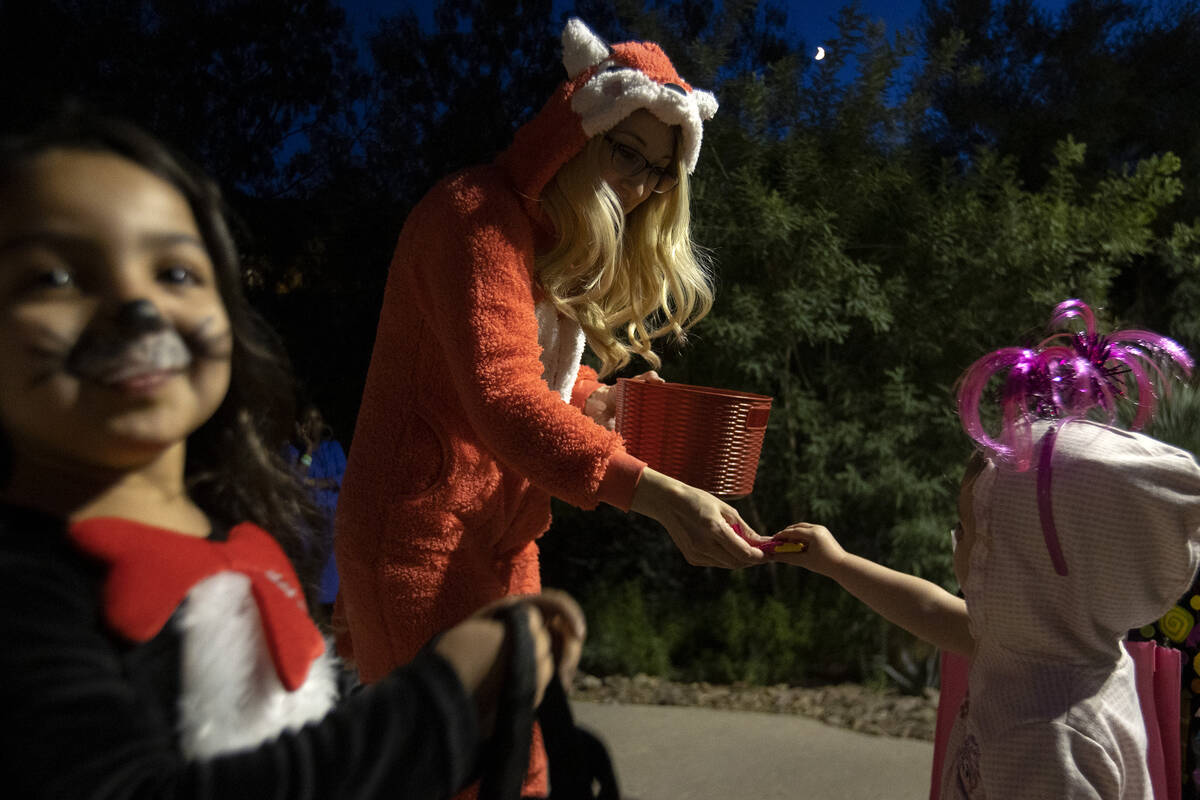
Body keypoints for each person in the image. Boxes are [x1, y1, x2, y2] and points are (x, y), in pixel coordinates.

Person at [0, 112, 585, 798]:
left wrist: (487, 695)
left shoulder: (242, 539)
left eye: (176, 271)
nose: (137, 305)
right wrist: (438, 702)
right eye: (56, 279)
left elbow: (285, 737)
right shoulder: (25, 594)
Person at [334, 17, 766, 794]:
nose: (636, 185)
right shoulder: (475, 216)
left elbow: (544, 381)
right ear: (577, 128)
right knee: (460, 779)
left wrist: (603, 404)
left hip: (504, 543)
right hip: (415, 542)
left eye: (658, 172)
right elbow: (503, 398)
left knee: (523, 770)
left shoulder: (553, 243)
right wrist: (661, 497)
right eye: (624, 152)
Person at [763, 300, 1200, 798]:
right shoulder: (1060, 653)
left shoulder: (1046, 733)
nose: (958, 543)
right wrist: (836, 563)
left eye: (969, 530)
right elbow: (930, 608)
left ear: (1018, 560)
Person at [285, 403, 347, 615]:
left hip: (335, 517)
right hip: (311, 519)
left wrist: (316, 483)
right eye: (308, 421)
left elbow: (345, 478)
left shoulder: (334, 448)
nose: (314, 425)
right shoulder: (293, 451)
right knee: (315, 570)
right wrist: (309, 451)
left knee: (337, 568)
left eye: (317, 419)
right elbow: (296, 482)